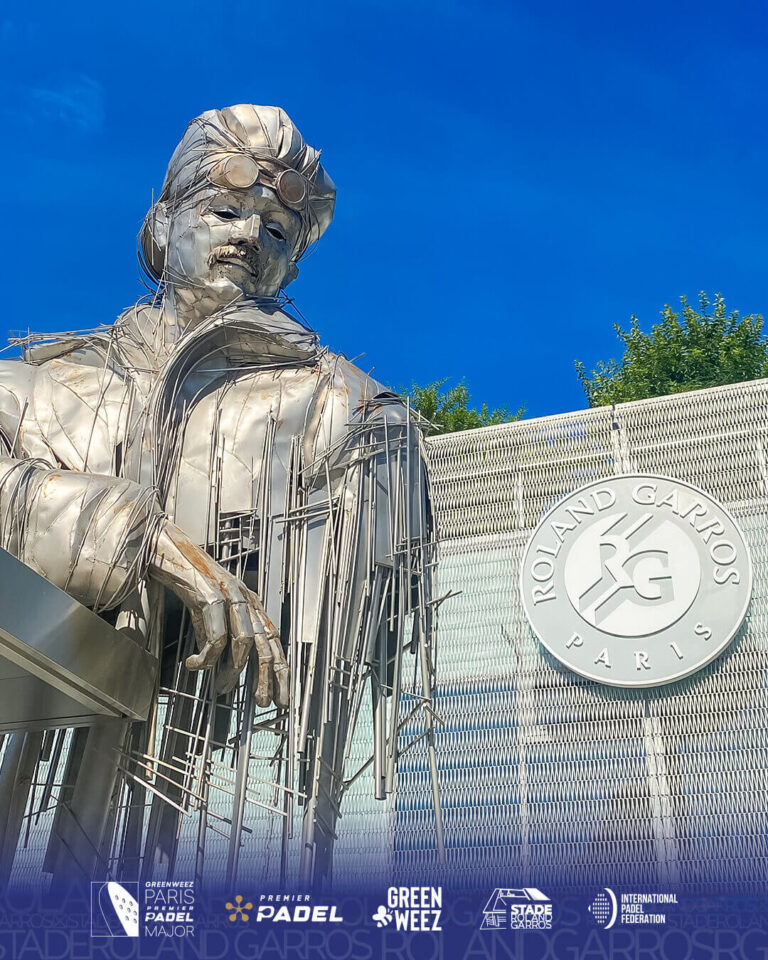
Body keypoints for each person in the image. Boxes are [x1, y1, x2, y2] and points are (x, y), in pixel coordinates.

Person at [0, 105, 439, 887]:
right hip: (26, 785)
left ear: (289, 269)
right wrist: (145, 541)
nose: (248, 237)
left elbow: (344, 646)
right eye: (226, 212)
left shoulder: (339, 404)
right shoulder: (34, 388)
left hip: (219, 824)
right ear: (161, 225)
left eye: (277, 231)